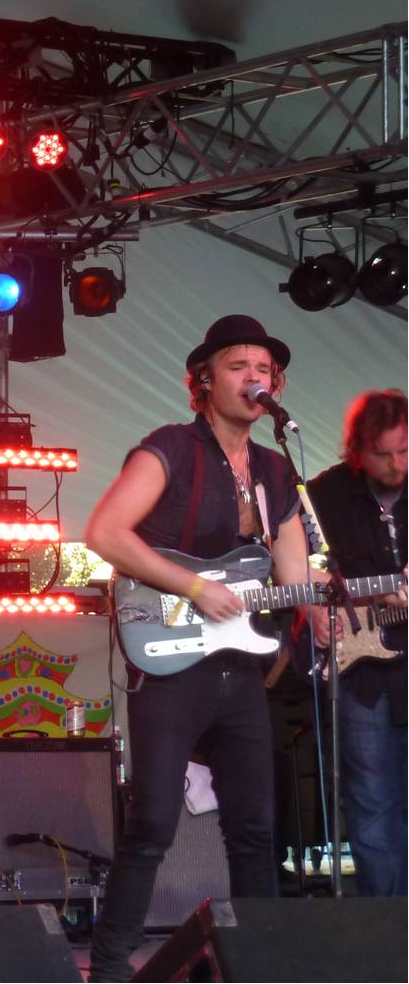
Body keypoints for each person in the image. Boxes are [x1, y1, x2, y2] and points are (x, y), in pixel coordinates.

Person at [85, 315, 310, 981]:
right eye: (237, 366)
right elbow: (104, 532)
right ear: (203, 383)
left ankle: (261, 961)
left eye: (262, 368)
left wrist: (372, 590)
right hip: (169, 654)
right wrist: (193, 586)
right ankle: (107, 960)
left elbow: (296, 579)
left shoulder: (274, 467)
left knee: (255, 826)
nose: (253, 378)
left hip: (238, 667)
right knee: (153, 819)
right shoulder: (169, 449)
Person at [303, 389, 406, 897]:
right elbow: (282, 563)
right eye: (383, 454)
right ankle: (388, 939)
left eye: (405, 451)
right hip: (361, 672)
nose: (396, 464)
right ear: (357, 452)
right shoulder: (325, 493)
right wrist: (313, 610)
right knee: (371, 807)